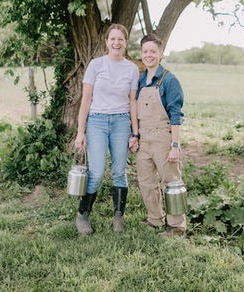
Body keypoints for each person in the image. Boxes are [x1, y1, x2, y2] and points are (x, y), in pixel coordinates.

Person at [74, 24, 139, 235]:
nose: (116, 43)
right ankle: (83, 215)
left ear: (125, 43)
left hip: (121, 122)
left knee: (120, 171)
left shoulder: (131, 69)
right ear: (107, 41)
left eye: (120, 39)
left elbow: (132, 102)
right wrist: (80, 131)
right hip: (97, 121)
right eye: (113, 39)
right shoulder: (96, 65)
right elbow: (86, 99)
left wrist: (135, 132)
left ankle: (118, 216)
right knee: (97, 170)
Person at [130, 34, 187, 237]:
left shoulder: (169, 80)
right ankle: (155, 219)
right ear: (141, 53)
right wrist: (134, 136)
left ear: (160, 53)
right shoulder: (139, 81)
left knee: (171, 182)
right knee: (146, 182)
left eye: (153, 51)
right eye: (145, 51)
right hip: (143, 138)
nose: (148, 55)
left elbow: (175, 115)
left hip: (163, 137)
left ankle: (177, 226)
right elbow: (134, 112)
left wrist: (174, 145)